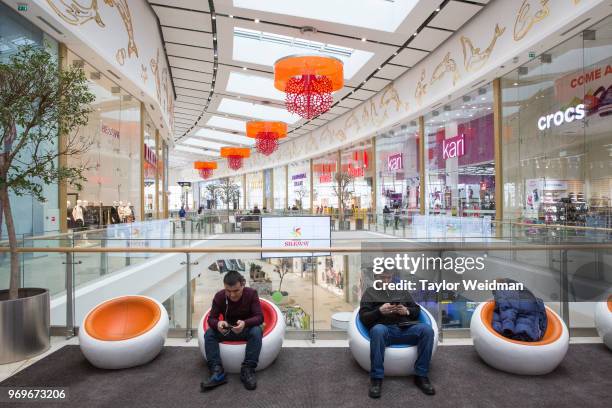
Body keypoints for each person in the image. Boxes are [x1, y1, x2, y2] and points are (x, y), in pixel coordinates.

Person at [359, 270, 435, 398]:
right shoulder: (369, 293)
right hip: (384, 331)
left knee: (427, 330)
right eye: (382, 278)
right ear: (376, 278)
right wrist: (379, 311)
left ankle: (421, 375)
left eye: (388, 277)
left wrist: (406, 311)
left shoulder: (401, 291)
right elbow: (363, 318)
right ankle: (376, 379)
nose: (386, 281)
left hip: (405, 329)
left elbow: (416, 310)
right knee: (378, 330)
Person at [200, 271, 263, 392]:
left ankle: (247, 370)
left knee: (256, 331)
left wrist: (245, 323)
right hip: (228, 330)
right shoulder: (219, 296)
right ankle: (217, 372)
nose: (232, 295)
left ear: (243, 285)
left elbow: (260, 317)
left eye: (236, 291)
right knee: (209, 333)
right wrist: (218, 323)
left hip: (246, 329)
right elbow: (211, 319)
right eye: (228, 291)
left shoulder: (251, 294)